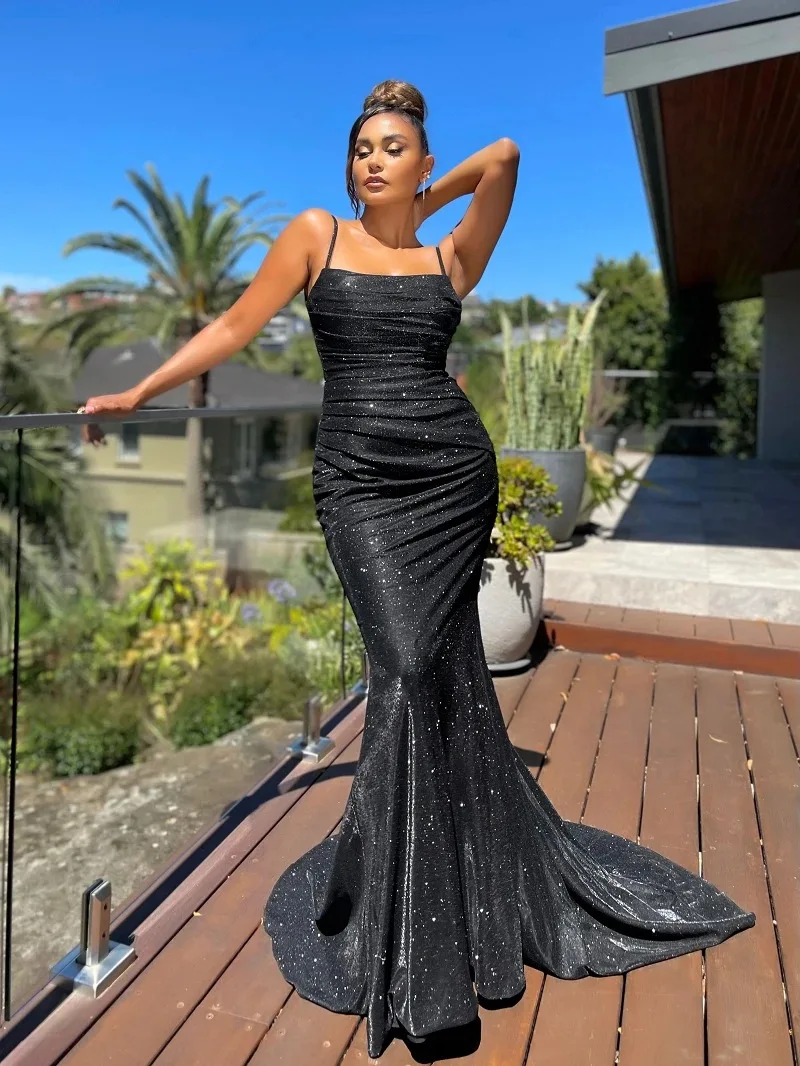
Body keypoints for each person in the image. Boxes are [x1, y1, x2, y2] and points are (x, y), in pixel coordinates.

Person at [80, 80, 755, 1060]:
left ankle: (440, 908)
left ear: (424, 165)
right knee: (399, 666)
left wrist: (425, 201)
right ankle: (411, 932)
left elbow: (507, 155)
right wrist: (139, 392)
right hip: (359, 485)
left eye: (392, 148)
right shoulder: (316, 235)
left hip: (450, 478)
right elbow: (233, 327)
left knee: (430, 675)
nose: (372, 160)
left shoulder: (449, 258)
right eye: (362, 149)